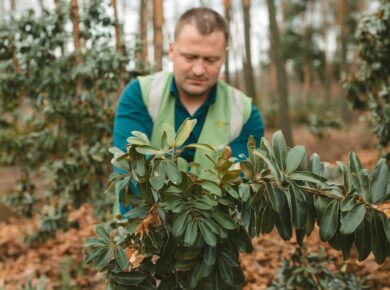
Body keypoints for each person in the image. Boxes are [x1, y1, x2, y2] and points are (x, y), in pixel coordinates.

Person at [113, 7, 264, 214]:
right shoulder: (140, 95)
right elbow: (129, 170)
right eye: (190, 57)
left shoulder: (245, 112)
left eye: (210, 60)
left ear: (224, 56)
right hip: (142, 233)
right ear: (172, 50)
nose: (199, 70)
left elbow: (239, 186)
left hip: (215, 239)